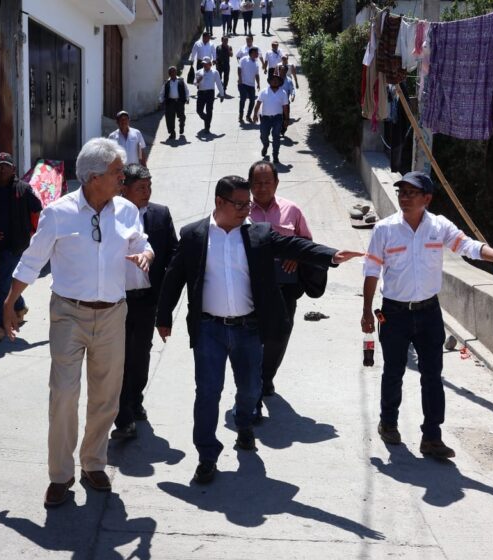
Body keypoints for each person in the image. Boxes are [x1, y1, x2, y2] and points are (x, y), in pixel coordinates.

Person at [155, 175, 362, 484]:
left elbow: (295, 245)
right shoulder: (194, 235)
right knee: (207, 393)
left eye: (247, 205)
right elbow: (175, 277)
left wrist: (330, 255)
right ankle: (207, 456)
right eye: (239, 205)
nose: (246, 210)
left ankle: (244, 423)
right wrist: (164, 317)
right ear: (219, 202)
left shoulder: (259, 234)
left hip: (248, 329)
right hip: (209, 329)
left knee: (251, 388)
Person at [3, 138, 154, 507]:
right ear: (93, 177)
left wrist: (146, 255)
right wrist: (8, 303)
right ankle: (60, 475)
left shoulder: (126, 210)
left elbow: (141, 242)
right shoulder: (59, 213)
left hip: (113, 314)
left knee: (106, 396)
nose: (123, 178)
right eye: (117, 172)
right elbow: (32, 260)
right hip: (69, 313)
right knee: (64, 394)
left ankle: (93, 462)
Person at [362, 172, 493, 460]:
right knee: (393, 371)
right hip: (393, 312)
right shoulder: (384, 229)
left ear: (426, 198)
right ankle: (388, 422)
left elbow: (468, 246)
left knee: (432, 375)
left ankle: (432, 437)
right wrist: (367, 310)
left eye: (411, 193)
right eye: (402, 192)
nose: (404, 198)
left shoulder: (439, 226)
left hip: (429, 312)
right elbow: (371, 270)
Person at [112, 164, 178, 440]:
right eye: (141, 188)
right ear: (124, 188)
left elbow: (173, 252)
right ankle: (122, 414)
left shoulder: (160, 214)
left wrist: (167, 294)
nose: (147, 192)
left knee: (140, 354)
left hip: (147, 299)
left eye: (149, 186)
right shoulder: (110, 215)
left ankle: (135, 398)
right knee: (119, 357)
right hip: (117, 300)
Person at [247, 161, 312, 408]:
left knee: (280, 335)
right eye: (257, 183)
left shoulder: (291, 210)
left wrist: (296, 256)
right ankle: (252, 381)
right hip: (249, 288)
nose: (262, 187)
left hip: (284, 287)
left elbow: (307, 242)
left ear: (276, 183)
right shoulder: (241, 211)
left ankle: (266, 376)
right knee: (251, 336)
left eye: (267, 182)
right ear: (250, 184)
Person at [0, 152, 43, 342]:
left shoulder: (23, 189)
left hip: (14, 246)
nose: (2, 169)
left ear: (13, 169)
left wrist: (34, 233)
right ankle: (19, 306)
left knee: (3, 284)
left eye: (6, 166)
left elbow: (38, 210)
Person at [253, 73, 289, 164]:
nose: (275, 81)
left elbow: (285, 107)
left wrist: (286, 119)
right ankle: (265, 145)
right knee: (263, 135)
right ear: (269, 81)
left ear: (280, 82)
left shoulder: (283, 93)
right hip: (265, 118)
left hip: (277, 118)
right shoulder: (264, 91)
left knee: (276, 136)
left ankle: (275, 155)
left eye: (277, 80)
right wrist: (255, 114)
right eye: (273, 80)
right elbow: (258, 104)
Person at [194, 58, 226, 133]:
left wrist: (222, 94)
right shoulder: (199, 72)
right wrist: (198, 81)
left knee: (209, 110)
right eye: (203, 64)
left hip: (210, 93)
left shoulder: (215, 72)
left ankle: (207, 127)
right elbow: (194, 83)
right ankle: (206, 119)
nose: (204, 65)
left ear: (210, 64)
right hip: (201, 92)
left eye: (206, 64)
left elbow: (219, 84)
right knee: (199, 110)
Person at [158, 66, 189, 140]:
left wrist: (187, 98)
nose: (173, 73)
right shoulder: (167, 82)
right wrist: (161, 101)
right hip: (170, 102)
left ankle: (181, 125)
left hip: (179, 101)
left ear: (176, 72)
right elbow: (162, 93)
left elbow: (186, 90)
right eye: (171, 72)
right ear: (169, 73)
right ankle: (172, 133)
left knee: (182, 116)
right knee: (169, 118)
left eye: (174, 71)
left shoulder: (181, 81)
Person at [237, 47, 261, 124]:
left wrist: (258, 83)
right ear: (251, 53)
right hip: (243, 83)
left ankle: (248, 116)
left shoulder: (256, 63)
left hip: (251, 85)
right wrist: (240, 78)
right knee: (243, 98)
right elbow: (239, 68)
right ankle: (240, 116)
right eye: (256, 52)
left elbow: (257, 74)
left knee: (252, 101)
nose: (257, 54)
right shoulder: (244, 59)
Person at [277, 65, 296, 135]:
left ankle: (283, 129)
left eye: (284, 71)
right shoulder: (275, 79)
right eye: (281, 70)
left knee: (286, 119)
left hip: (285, 103)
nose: (282, 72)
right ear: (279, 71)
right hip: (276, 103)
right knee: (277, 118)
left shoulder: (289, 80)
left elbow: (292, 89)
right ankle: (277, 130)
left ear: (286, 71)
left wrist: (293, 96)